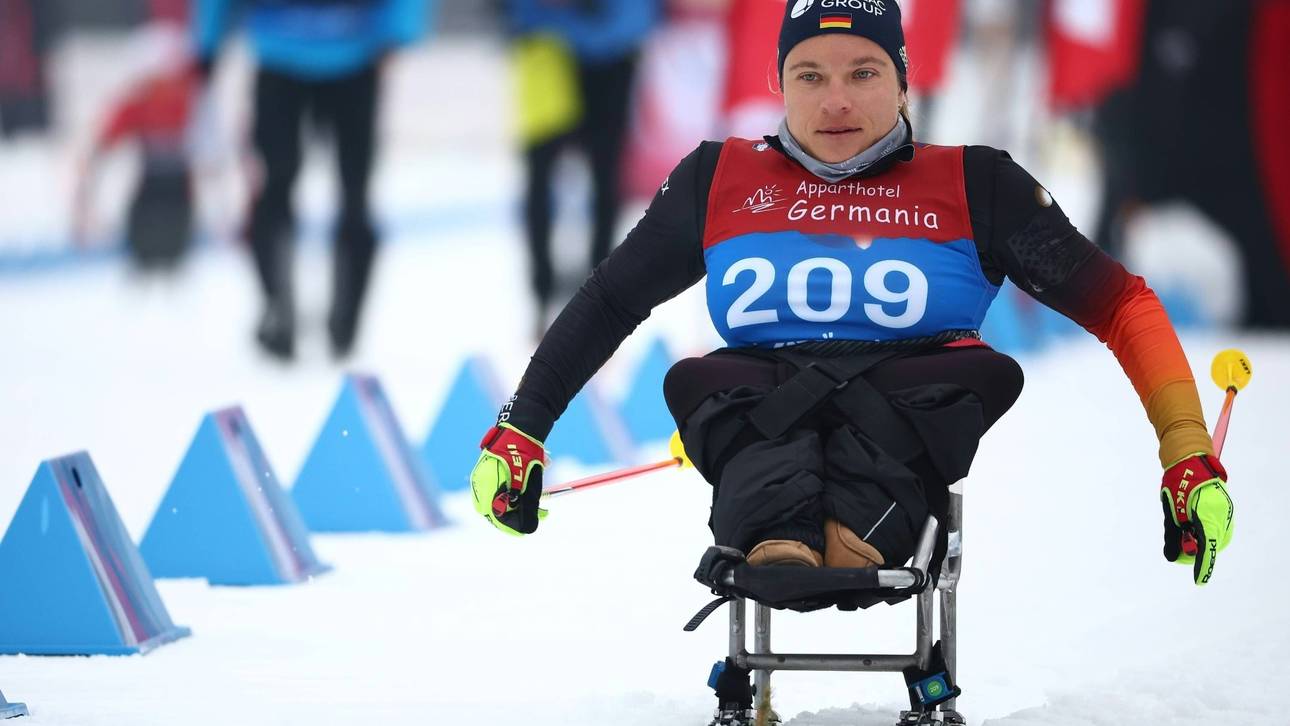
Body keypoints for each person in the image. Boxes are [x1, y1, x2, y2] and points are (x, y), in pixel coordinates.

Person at [471, 0, 1232, 592]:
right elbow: (610, 299)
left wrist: (1186, 454)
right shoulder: (717, 178)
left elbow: (1121, 304)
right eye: (811, 76)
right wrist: (520, 429)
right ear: (779, 84)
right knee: (775, 549)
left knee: (849, 548)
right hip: (756, 429)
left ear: (903, 78)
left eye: (863, 73)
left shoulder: (977, 181)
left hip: (904, 430)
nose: (836, 100)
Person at [193, 0, 431, 359]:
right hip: (346, 51)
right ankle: (336, 323)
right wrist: (398, 32)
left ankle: (285, 309)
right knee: (350, 195)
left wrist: (208, 43)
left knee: (281, 189)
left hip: (293, 52)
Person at [505, 0, 662, 332]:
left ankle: (596, 299)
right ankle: (543, 296)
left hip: (604, 56)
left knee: (604, 183)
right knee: (542, 183)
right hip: (549, 56)